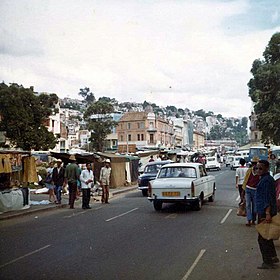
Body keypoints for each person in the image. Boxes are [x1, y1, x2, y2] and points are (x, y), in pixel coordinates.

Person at [256, 160, 279, 269]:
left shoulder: (266, 181)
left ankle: (267, 261)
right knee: (267, 235)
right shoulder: (266, 179)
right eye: (257, 168)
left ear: (266, 168)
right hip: (265, 211)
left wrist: (267, 212)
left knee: (262, 237)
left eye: (261, 168)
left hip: (265, 212)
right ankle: (273, 256)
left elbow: (267, 198)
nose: (258, 170)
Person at [242, 156, 260, 226]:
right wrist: (243, 191)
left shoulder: (260, 172)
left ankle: (253, 219)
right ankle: (249, 220)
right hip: (248, 189)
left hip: (256, 191)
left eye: (255, 163)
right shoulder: (249, 170)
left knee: (255, 207)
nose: (254, 165)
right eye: (253, 163)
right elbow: (245, 180)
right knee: (248, 205)